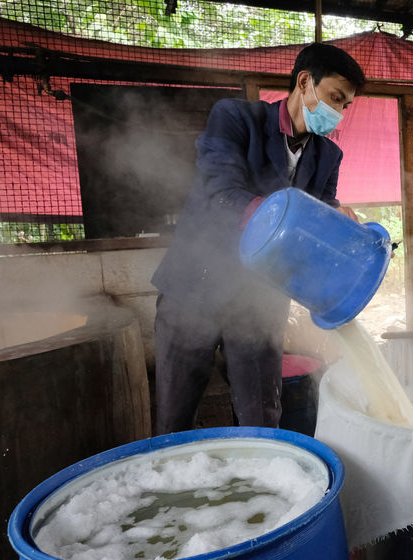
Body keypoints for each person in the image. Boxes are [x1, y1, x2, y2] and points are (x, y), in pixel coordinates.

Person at [150, 43, 366, 434]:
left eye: (345, 105)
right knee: (174, 418)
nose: (337, 113)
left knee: (263, 417)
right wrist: (300, 216)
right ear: (304, 82)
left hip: (259, 300)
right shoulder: (235, 118)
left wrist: (339, 224)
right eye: (335, 97)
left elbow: (319, 221)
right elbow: (221, 193)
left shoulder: (328, 157)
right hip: (195, 286)